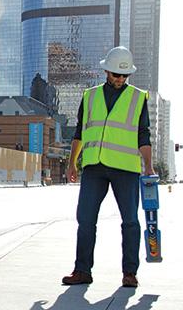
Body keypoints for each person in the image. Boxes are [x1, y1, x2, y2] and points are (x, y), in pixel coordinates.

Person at [62, 46, 154, 288]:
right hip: (94, 167)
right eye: (116, 74)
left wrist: (149, 166)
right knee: (85, 219)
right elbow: (80, 132)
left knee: (130, 221)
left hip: (125, 169)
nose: (120, 79)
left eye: (124, 76)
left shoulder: (138, 97)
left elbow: (143, 135)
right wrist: (72, 163)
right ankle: (82, 271)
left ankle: (130, 273)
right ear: (106, 71)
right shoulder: (89, 96)